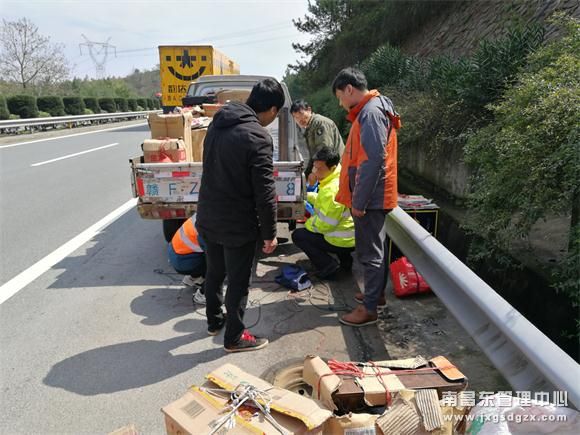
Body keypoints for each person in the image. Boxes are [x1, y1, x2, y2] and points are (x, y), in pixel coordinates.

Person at [196, 78, 283, 353]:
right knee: (238, 281)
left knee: (214, 271)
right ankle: (234, 338)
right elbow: (265, 192)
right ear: (271, 109)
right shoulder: (257, 136)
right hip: (237, 223)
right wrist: (270, 233)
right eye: (276, 113)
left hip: (208, 215)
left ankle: (214, 321)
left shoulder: (217, 124)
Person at [332, 67, 401, 327]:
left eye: (340, 97)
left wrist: (359, 201)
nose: (340, 103)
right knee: (376, 248)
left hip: (370, 198)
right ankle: (376, 294)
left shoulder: (370, 113)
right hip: (375, 195)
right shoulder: (374, 109)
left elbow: (372, 161)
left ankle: (369, 309)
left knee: (370, 252)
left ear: (349, 89)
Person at [292, 147, 355, 279]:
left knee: (299, 235)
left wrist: (308, 223)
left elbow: (326, 225)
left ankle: (328, 266)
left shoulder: (331, 190)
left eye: (319, 169)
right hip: (350, 235)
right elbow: (326, 203)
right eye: (314, 167)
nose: (315, 172)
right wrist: (308, 196)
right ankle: (346, 262)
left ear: (332, 168)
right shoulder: (339, 177)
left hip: (340, 240)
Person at [290, 100, 345, 186]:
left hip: (335, 171)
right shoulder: (310, 127)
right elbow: (314, 156)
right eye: (296, 117)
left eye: (301, 114)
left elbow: (325, 152)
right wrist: (306, 175)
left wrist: (314, 173)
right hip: (329, 171)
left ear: (309, 110)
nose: (299, 119)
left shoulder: (320, 123)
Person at [167, 214, 206, 305]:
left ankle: (194, 277)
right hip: (183, 261)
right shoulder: (210, 227)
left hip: (177, 253)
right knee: (220, 265)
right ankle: (204, 294)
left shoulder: (204, 212)